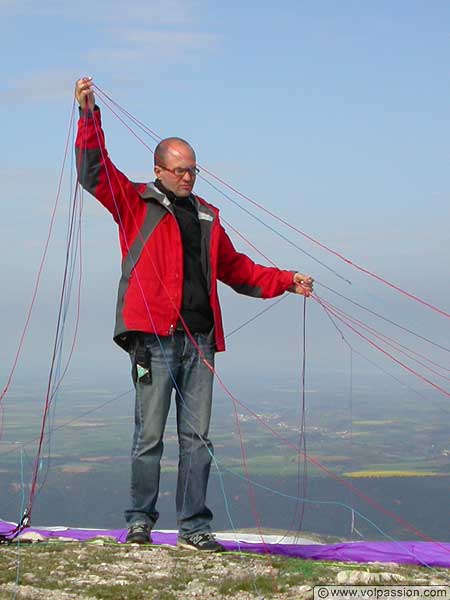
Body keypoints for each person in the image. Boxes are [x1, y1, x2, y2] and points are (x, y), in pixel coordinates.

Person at [74, 77, 314, 552]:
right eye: (179, 170)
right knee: (148, 437)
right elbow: (94, 172)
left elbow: (237, 270)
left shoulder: (207, 216)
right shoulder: (133, 202)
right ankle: (140, 521)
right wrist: (89, 115)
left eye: (193, 171)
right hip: (152, 340)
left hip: (199, 340)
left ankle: (195, 528)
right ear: (158, 169)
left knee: (197, 440)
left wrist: (286, 280)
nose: (187, 178)